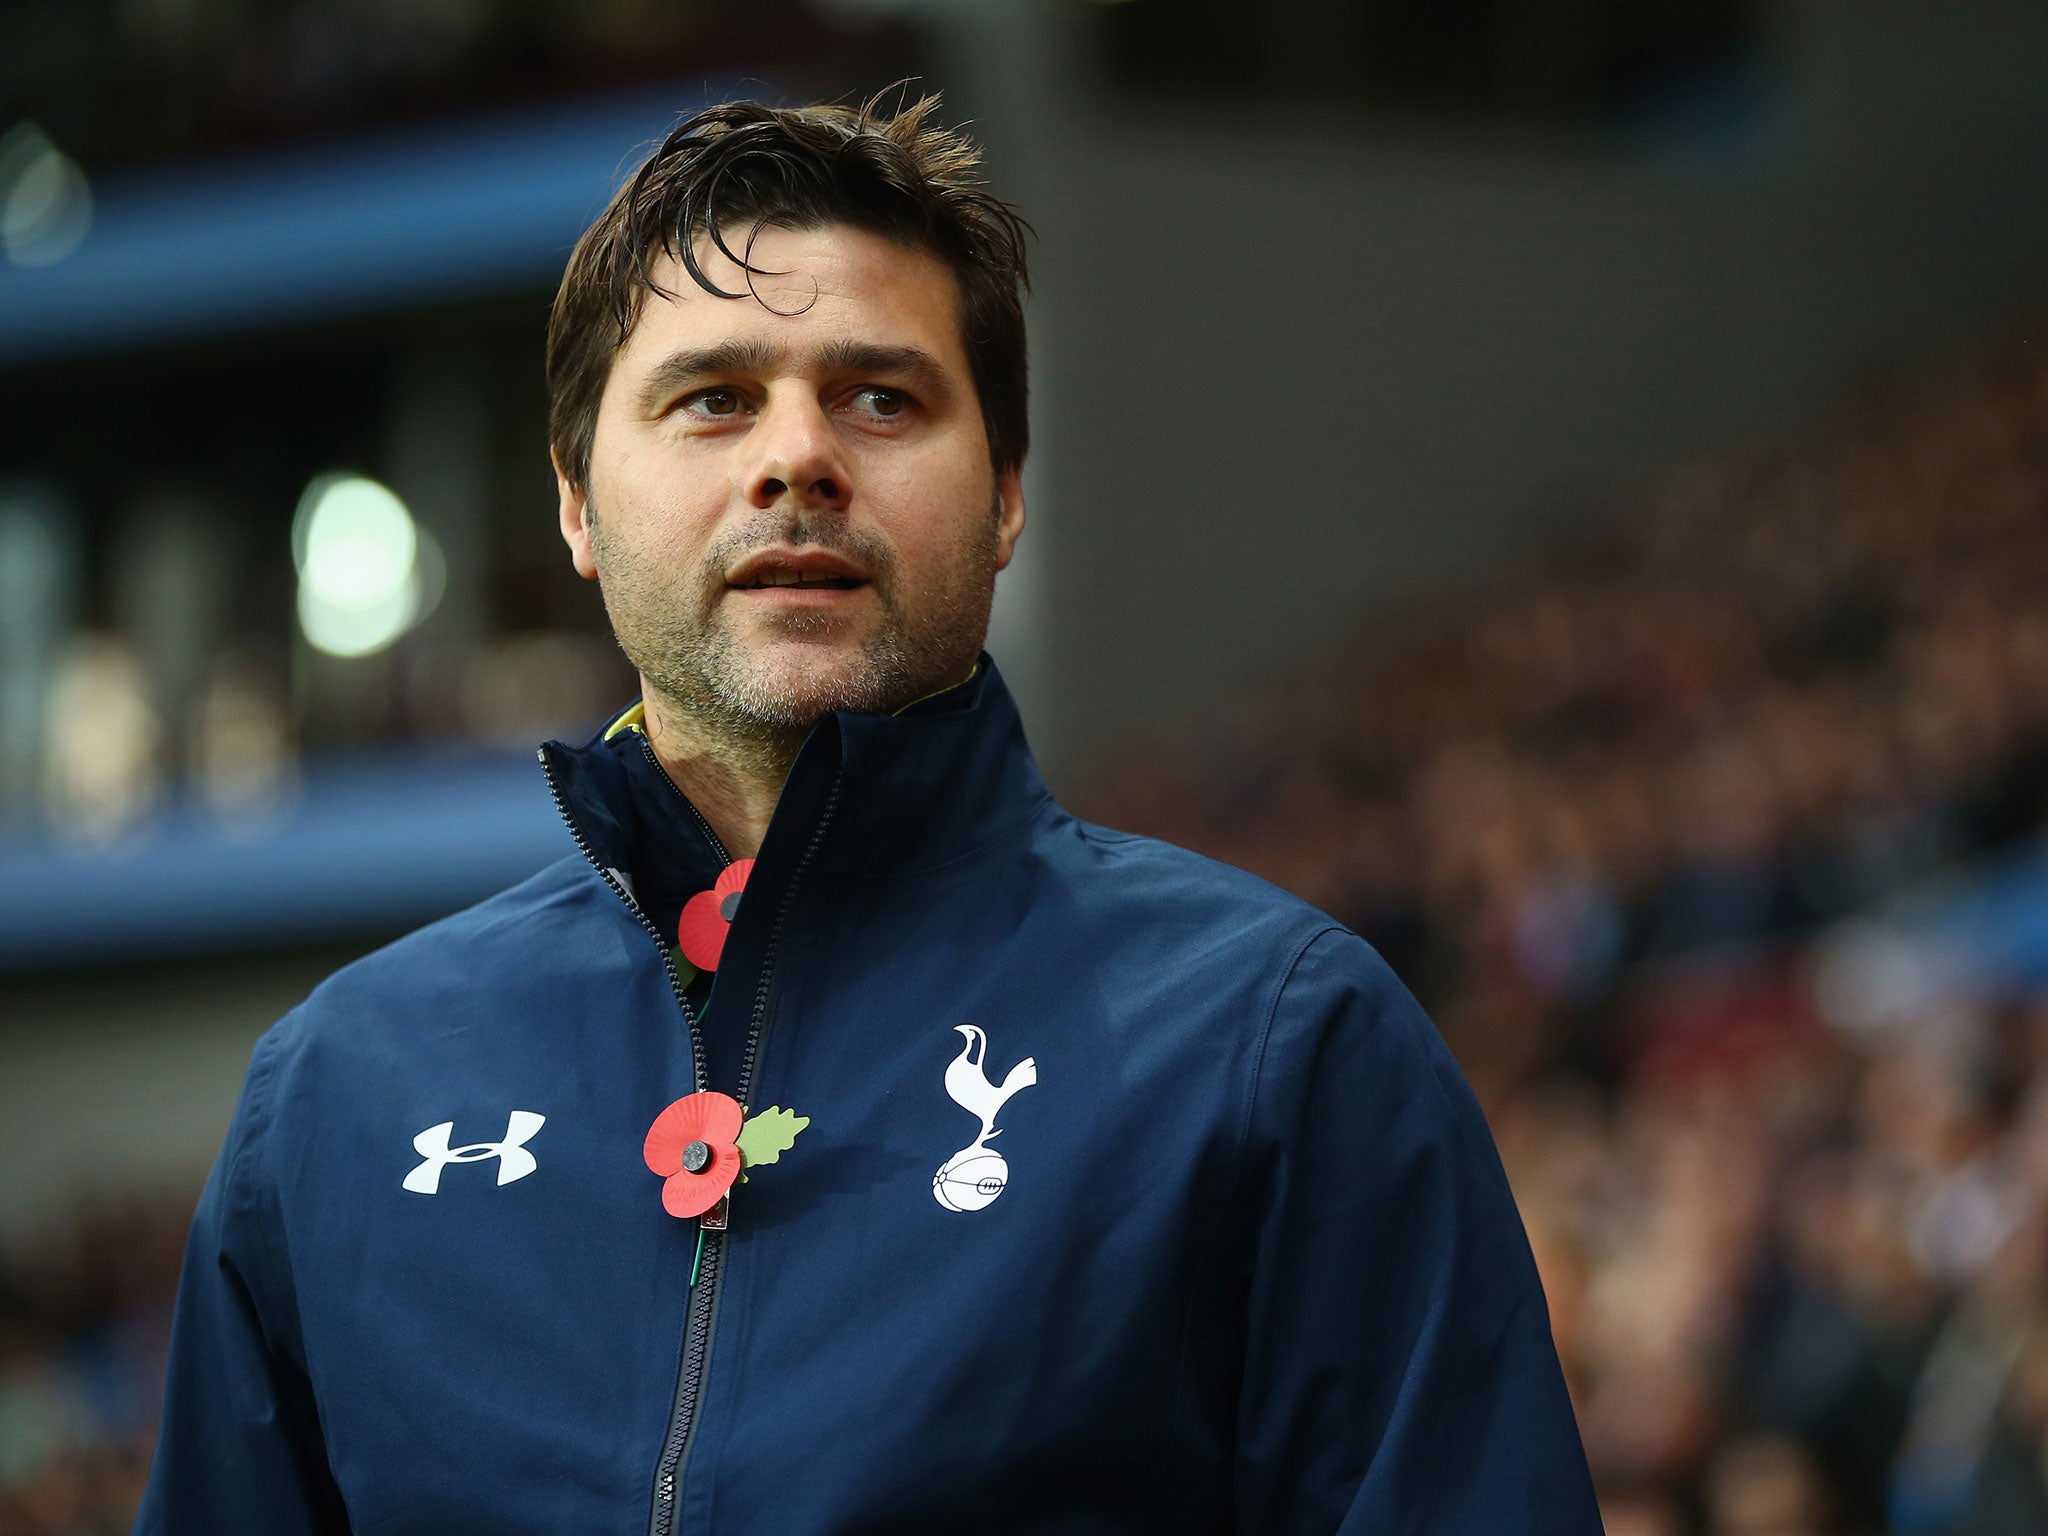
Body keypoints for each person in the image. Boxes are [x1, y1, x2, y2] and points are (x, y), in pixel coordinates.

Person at [135, 93, 1599, 1534]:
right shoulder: (338, 1094)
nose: (798, 458)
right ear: (576, 504)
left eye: (881, 398)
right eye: (713, 399)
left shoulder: (1280, 1049)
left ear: (1008, 491)